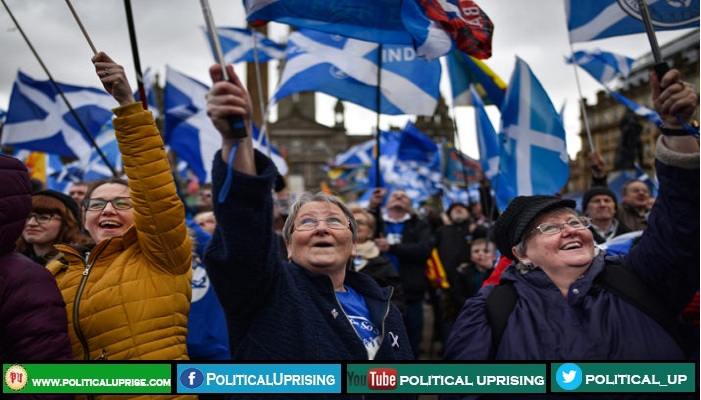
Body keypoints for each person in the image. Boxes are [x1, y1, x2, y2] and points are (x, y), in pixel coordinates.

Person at [444, 68, 699, 361]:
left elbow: (682, 220)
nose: (570, 230)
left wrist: (677, 130)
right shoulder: (490, 309)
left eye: (575, 222)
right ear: (521, 254)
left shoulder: (639, 277)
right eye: (550, 229)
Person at [203, 63, 412, 360]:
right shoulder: (267, 292)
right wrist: (238, 137)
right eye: (307, 221)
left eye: (335, 220)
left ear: (354, 243)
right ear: (287, 245)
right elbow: (244, 228)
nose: (321, 228)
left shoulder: (384, 305)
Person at [46, 53, 193, 366]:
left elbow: (154, 187)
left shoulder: (162, 256)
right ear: (83, 216)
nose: (108, 210)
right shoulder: (57, 271)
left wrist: (128, 105)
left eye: (123, 203)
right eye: (97, 204)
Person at [0, 154, 73, 362]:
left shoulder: (28, 280)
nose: (32, 223)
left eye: (43, 216)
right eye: (30, 216)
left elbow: (44, 382)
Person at [367, 188, 435, 359]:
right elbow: (361, 226)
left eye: (403, 196)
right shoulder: (377, 223)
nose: (398, 197)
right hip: (379, 292)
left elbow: (424, 249)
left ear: (410, 205)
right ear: (386, 203)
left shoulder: (419, 225)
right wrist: (372, 206)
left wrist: (392, 248)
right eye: (394, 195)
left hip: (411, 292)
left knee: (412, 338)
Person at [351, 206, 407, 315]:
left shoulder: (383, 264)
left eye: (360, 222)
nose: (355, 225)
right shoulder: (333, 259)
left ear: (370, 232)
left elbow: (398, 303)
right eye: (350, 222)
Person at [16, 190, 90, 266]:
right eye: (27, 217)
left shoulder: (82, 262)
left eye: (43, 217)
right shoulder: (9, 259)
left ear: (67, 223)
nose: (31, 223)